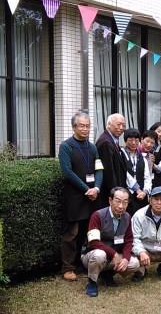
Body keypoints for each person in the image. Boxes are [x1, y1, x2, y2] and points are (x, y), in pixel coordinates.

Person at [59, 110, 103, 282]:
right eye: (82, 126)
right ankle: (68, 267)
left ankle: (83, 263)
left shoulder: (92, 147)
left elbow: (99, 169)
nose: (85, 129)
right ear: (74, 127)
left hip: (92, 196)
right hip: (75, 196)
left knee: (89, 232)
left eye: (88, 126)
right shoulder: (66, 146)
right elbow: (67, 172)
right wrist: (87, 189)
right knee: (72, 233)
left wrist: (97, 188)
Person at [82, 187, 140, 297]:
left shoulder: (127, 217)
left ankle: (108, 274)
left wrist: (126, 259)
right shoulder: (97, 215)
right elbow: (93, 242)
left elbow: (128, 240)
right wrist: (113, 253)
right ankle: (92, 282)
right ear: (110, 200)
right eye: (118, 201)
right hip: (92, 255)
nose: (121, 206)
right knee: (100, 254)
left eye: (125, 202)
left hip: (114, 257)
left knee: (134, 263)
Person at [96, 113, 127, 208]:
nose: (121, 128)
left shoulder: (113, 140)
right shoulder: (106, 142)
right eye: (118, 124)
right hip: (110, 193)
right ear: (109, 124)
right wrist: (115, 193)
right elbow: (108, 171)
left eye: (123, 125)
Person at [121, 128, 152, 215]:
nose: (134, 143)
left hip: (142, 196)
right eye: (131, 140)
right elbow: (125, 174)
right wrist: (137, 189)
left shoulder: (141, 156)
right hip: (127, 193)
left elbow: (147, 177)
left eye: (136, 140)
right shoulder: (121, 154)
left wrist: (145, 192)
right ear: (125, 141)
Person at [149, 122, 161, 188]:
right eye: (158, 131)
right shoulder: (143, 145)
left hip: (157, 181)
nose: (160, 134)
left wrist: (152, 164)